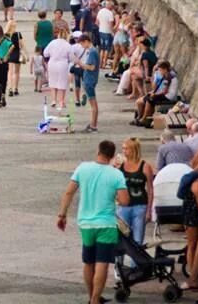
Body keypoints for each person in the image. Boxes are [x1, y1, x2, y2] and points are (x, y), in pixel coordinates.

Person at [57, 140, 130, 304]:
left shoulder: (83, 168)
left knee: (88, 262)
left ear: (98, 151)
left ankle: (91, 296)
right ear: (112, 156)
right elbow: (124, 201)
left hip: (86, 223)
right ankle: (96, 299)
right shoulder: (116, 174)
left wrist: (62, 215)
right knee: (102, 263)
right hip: (106, 223)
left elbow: (69, 192)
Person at [115, 138, 154, 249]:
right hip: (123, 206)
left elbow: (150, 189)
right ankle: (119, 264)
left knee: (137, 240)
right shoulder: (121, 165)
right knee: (121, 238)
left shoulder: (145, 166)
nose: (124, 151)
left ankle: (135, 265)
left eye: (126, 149)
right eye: (123, 148)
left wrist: (149, 211)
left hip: (140, 205)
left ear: (134, 150)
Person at [43, 27, 72, 109]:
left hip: (52, 64)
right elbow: (71, 57)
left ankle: (53, 100)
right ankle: (61, 101)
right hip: (63, 64)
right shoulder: (67, 45)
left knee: (52, 82)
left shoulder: (52, 42)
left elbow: (45, 53)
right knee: (62, 83)